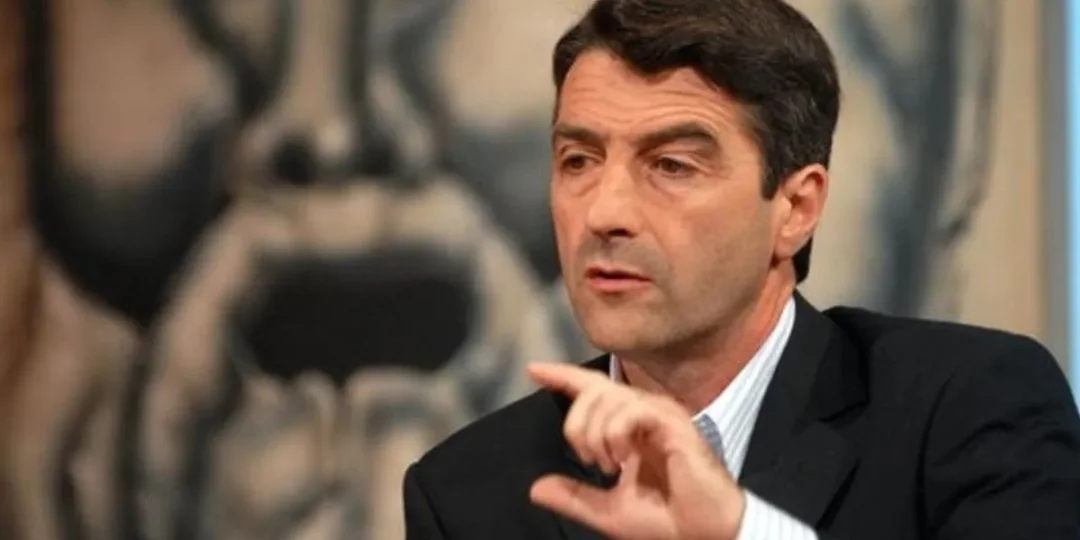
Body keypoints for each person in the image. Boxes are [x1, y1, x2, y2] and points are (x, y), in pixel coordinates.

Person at [401, 0, 1080, 538]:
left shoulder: (968, 410)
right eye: (578, 161)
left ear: (796, 208)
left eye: (671, 165)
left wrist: (740, 531)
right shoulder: (468, 492)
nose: (604, 213)